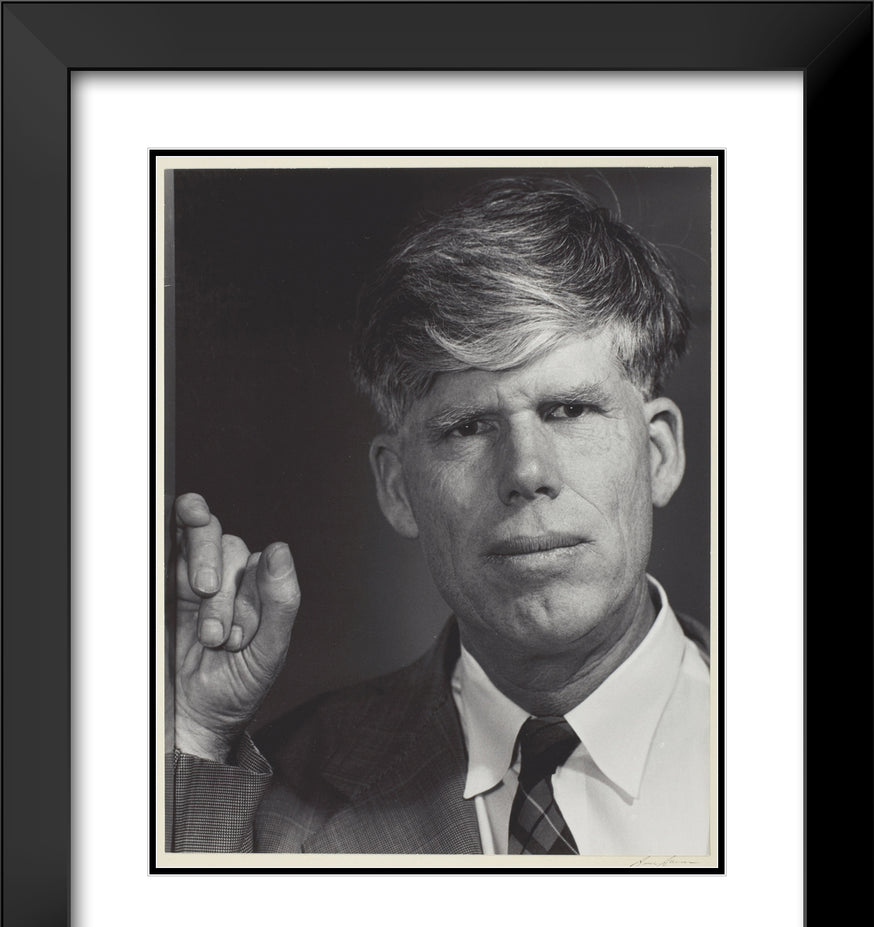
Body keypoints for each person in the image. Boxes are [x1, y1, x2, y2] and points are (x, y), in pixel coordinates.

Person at [168, 176, 711, 856]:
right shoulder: (272, 800)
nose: (526, 472)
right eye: (468, 427)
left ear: (659, 455)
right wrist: (191, 731)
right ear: (398, 487)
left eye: (568, 410)